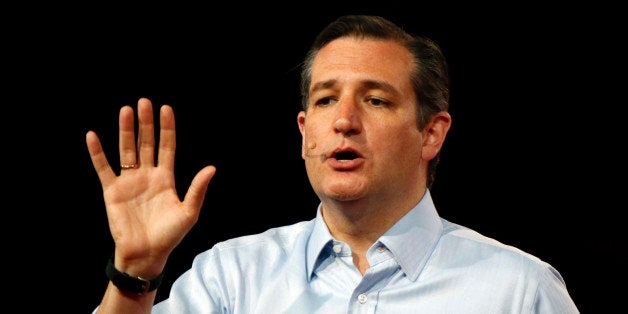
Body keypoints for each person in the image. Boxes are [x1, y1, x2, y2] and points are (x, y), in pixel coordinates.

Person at [87, 14, 579, 313]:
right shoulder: (231, 279)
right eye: (324, 101)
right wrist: (134, 272)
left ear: (431, 133)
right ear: (304, 133)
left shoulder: (518, 290)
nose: (343, 121)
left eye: (376, 101)